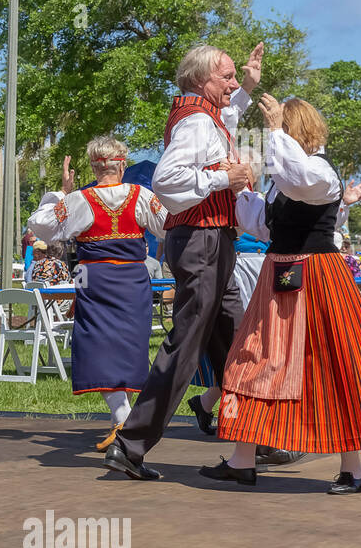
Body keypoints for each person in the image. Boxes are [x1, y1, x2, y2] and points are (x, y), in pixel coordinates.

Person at [202, 95, 361, 491]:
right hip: (279, 274)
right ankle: (242, 459)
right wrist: (236, 188)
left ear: (293, 130)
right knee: (253, 359)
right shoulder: (282, 182)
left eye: (282, 130)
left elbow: (299, 178)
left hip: (317, 278)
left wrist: (275, 131)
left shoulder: (318, 171)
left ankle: (353, 469)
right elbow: (263, 225)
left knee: (332, 366)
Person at [102, 42, 262, 480]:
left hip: (209, 241)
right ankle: (131, 443)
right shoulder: (195, 120)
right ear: (200, 81)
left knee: (234, 340)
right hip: (202, 241)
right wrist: (222, 177)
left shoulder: (203, 115)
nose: (231, 83)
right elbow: (167, 181)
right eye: (225, 77)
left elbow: (225, 120)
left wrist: (244, 88)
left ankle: (255, 442)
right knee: (187, 344)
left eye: (233, 77)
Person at [28, 138, 169, 450]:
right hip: (133, 278)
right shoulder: (142, 195)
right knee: (128, 346)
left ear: (93, 166)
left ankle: (122, 420)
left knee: (98, 346)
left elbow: (40, 225)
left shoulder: (79, 199)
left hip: (95, 279)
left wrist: (61, 192)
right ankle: (122, 420)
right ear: (122, 164)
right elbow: (167, 224)